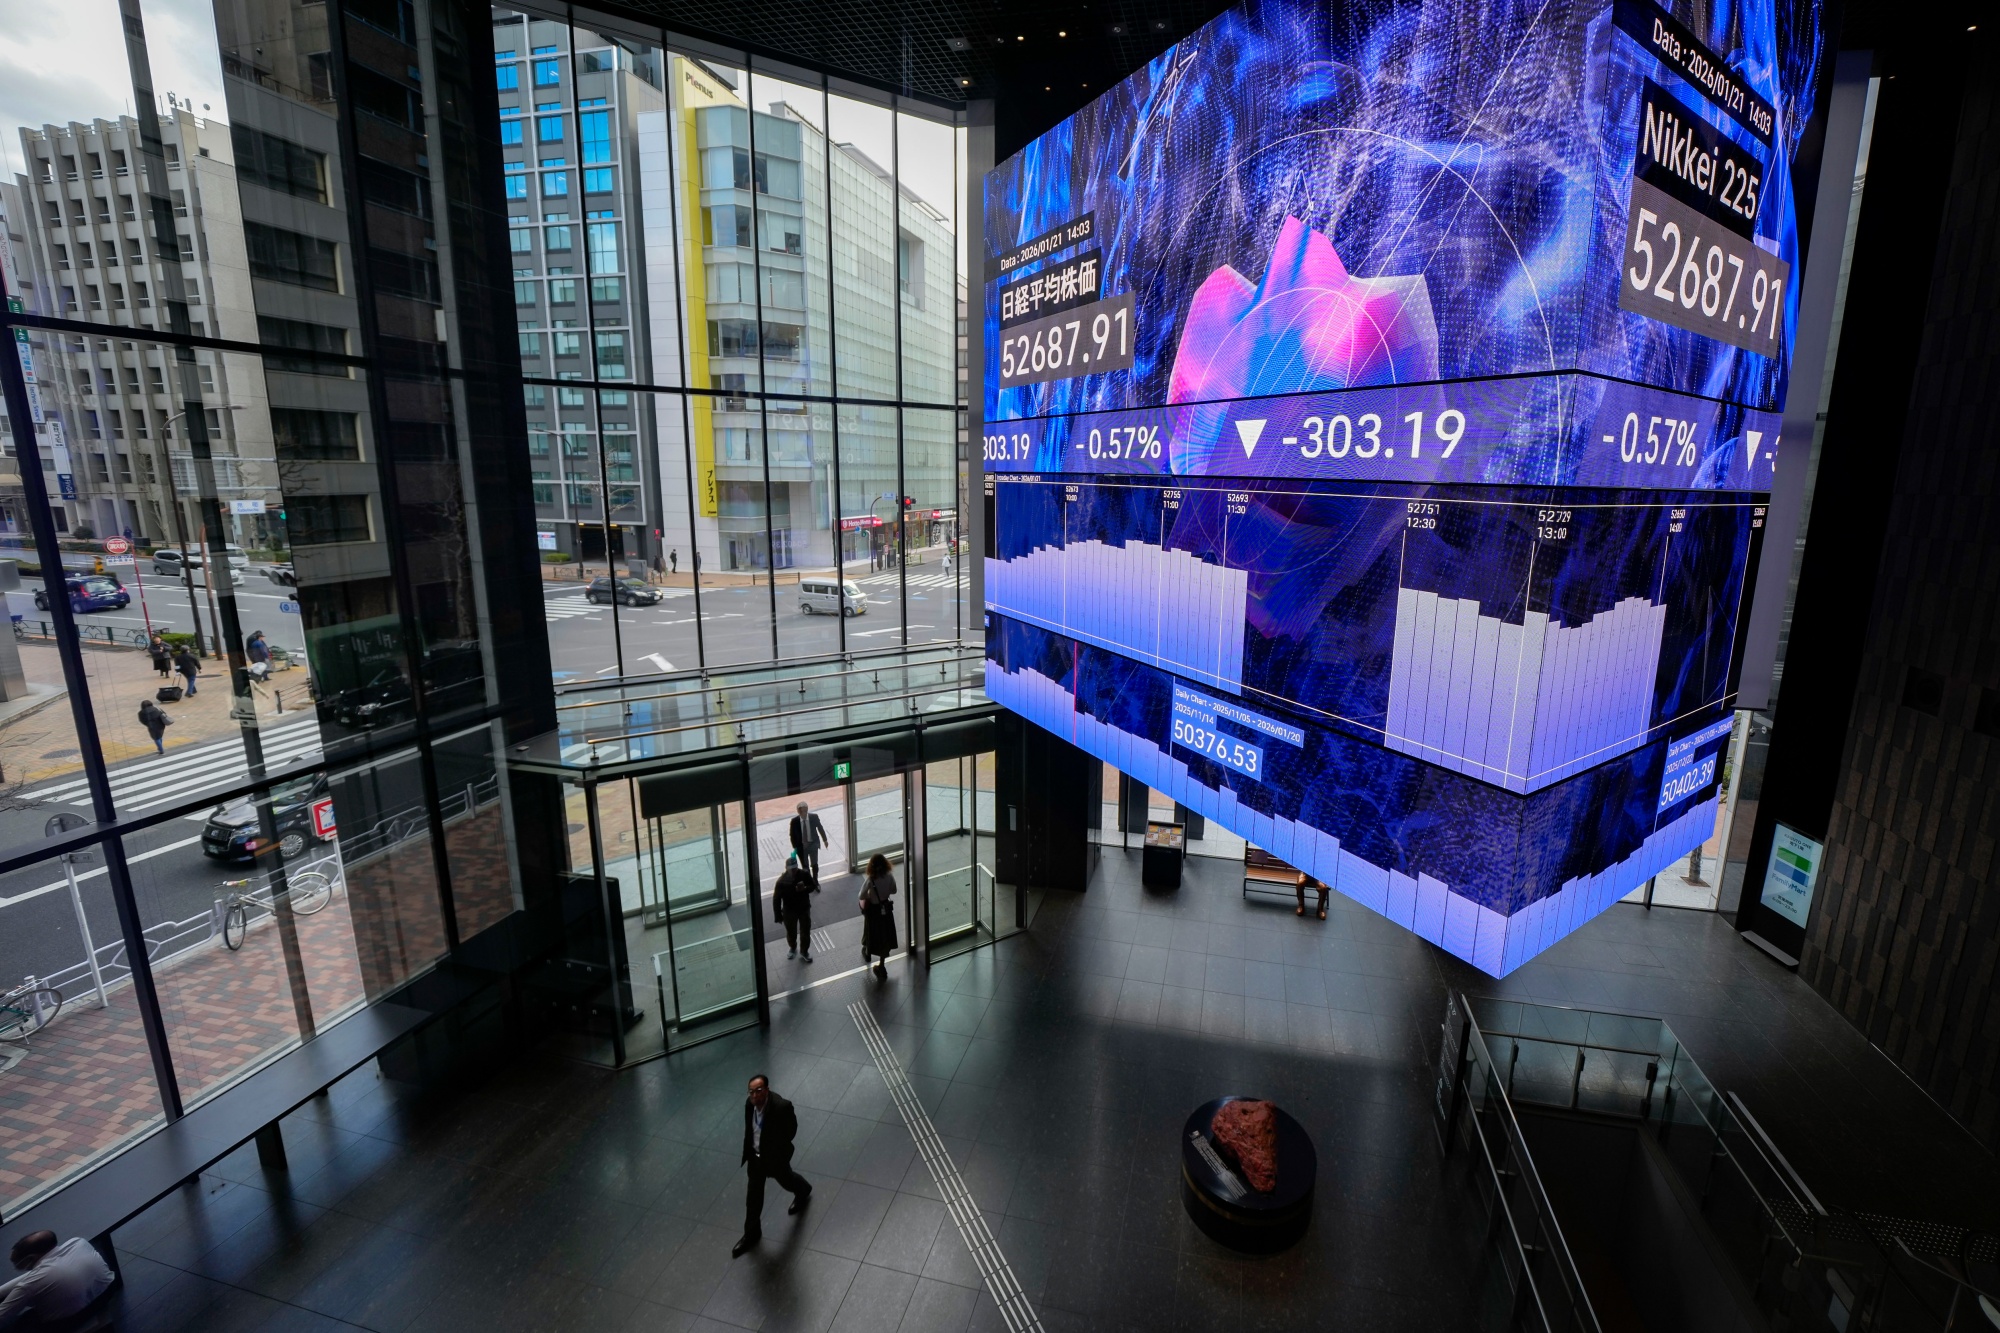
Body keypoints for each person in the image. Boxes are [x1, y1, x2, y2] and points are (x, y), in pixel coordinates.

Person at [732, 1075, 809, 1257]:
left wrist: (777, 1150)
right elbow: (750, 1130)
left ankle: (803, 1189)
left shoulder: (782, 1107)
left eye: (759, 1091)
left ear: (766, 1089)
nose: (755, 1095)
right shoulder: (749, 1105)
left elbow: (791, 1130)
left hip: (775, 1159)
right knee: (753, 1198)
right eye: (751, 1092)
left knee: (786, 1180)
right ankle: (751, 1234)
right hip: (756, 1159)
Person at [0, 1231, 115, 1329]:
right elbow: (44, 1271)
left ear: (31, 1258)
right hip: (107, 1294)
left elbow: (2, 1316)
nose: (17, 1267)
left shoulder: (30, 1284)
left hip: (69, 1321)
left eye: (17, 1263)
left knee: (20, 1321)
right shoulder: (78, 1242)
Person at [773, 853, 819, 962]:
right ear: (786, 869)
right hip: (789, 910)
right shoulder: (781, 881)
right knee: (791, 931)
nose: (793, 871)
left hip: (803, 907)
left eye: (795, 869)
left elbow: (813, 886)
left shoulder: (804, 874)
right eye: (791, 869)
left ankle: (804, 951)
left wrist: (805, 889)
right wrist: (778, 915)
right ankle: (793, 947)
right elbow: (776, 899)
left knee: (805, 930)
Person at [859, 852, 897, 978]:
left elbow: (861, 895)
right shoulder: (889, 876)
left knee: (871, 932)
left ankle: (868, 953)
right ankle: (881, 965)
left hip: (873, 911)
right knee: (884, 936)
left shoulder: (871, 879)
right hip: (886, 910)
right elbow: (894, 890)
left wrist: (871, 895)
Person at [788, 801, 828, 884]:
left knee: (814, 864)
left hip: (813, 844)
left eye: (805, 811)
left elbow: (820, 828)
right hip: (802, 847)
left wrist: (825, 840)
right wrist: (795, 847)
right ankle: (809, 881)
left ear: (807, 810)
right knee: (805, 866)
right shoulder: (794, 821)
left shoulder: (814, 817)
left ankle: (815, 880)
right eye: (801, 811)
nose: (804, 813)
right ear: (798, 812)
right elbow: (792, 835)